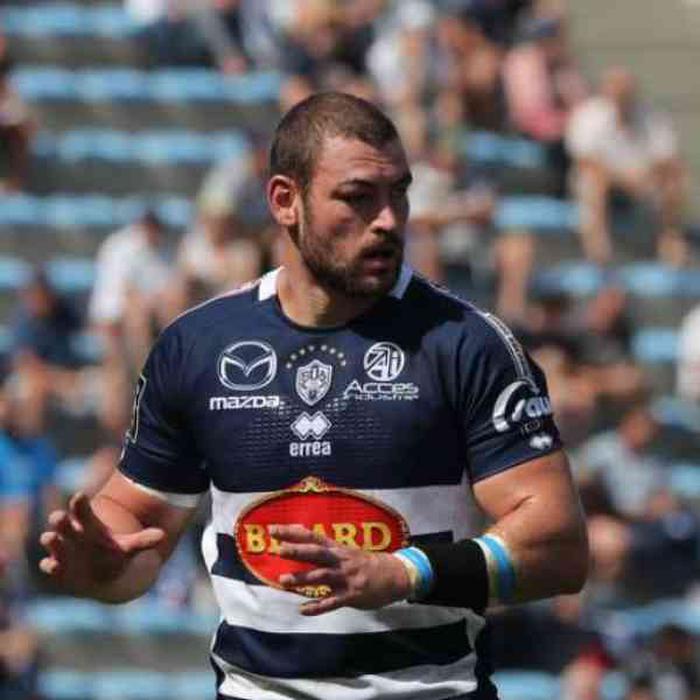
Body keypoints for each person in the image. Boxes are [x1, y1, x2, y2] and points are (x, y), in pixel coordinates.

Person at [39, 92, 588, 699]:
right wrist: (104, 567)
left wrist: (405, 572)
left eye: (398, 194)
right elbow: (138, 529)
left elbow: (558, 547)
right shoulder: (197, 346)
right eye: (358, 197)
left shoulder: (467, 344)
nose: (388, 220)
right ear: (285, 201)